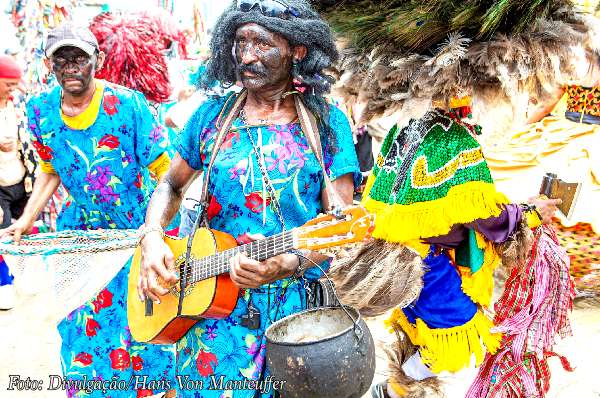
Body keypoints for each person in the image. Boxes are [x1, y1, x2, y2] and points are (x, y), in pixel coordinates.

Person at [138, 1, 361, 396]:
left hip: (293, 317)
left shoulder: (327, 124)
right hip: (210, 308)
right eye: (240, 42)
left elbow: (338, 228)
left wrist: (287, 264)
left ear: (298, 50)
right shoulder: (211, 117)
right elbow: (171, 185)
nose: (247, 56)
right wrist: (153, 235)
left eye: (261, 44)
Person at [0, 24, 175, 397]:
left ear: (97, 60)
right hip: (80, 240)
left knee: (139, 326)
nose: (71, 66)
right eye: (61, 59)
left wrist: (161, 231)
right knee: (80, 325)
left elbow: (165, 171)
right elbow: (50, 169)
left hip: (135, 234)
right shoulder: (40, 111)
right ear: (49, 64)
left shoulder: (128, 106)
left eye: (79, 57)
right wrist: (25, 220)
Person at [0, 54, 37, 310]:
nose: (12, 89)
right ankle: (4, 284)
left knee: (25, 231)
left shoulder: (19, 105)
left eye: (15, 84)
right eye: (7, 84)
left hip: (22, 181)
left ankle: (21, 274)